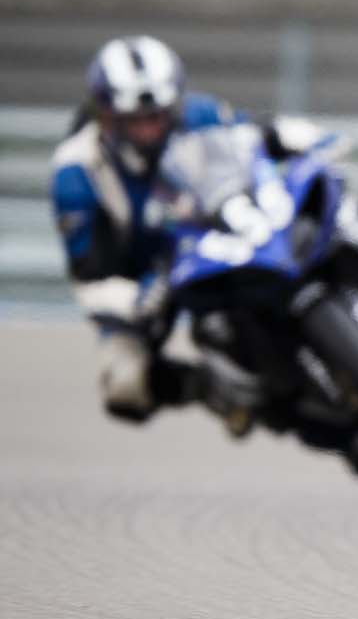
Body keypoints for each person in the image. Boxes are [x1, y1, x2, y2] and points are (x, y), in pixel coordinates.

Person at [49, 35, 325, 428]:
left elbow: (251, 136)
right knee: (124, 387)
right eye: (135, 121)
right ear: (106, 117)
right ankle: (214, 389)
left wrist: (286, 137)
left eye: (157, 116)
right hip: (144, 280)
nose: (149, 130)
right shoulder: (75, 173)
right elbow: (89, 272)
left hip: (210, 242)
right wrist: (137, 299)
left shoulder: (198, 115)